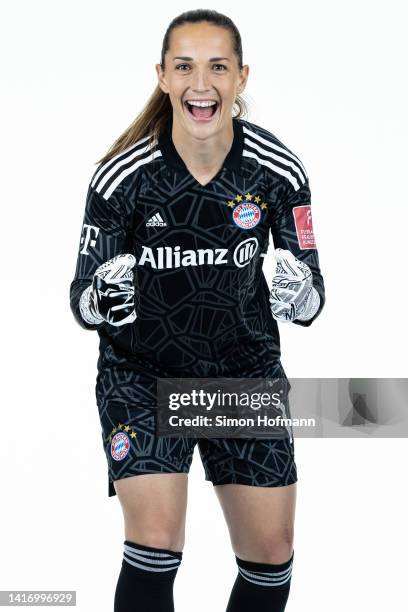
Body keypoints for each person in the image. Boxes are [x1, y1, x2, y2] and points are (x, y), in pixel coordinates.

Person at [69, 9, 325, 612]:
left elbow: (311, 283)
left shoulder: (277, 170)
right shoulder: (122, 177)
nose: (200, 84)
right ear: (162, 76)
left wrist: (304, 295)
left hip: (242, 373)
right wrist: (98, 299)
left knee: (272, 555)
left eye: (217, 67)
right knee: (156, 541)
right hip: (142, 374)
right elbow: (81, 295)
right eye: (184, 67)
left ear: (241, 78)